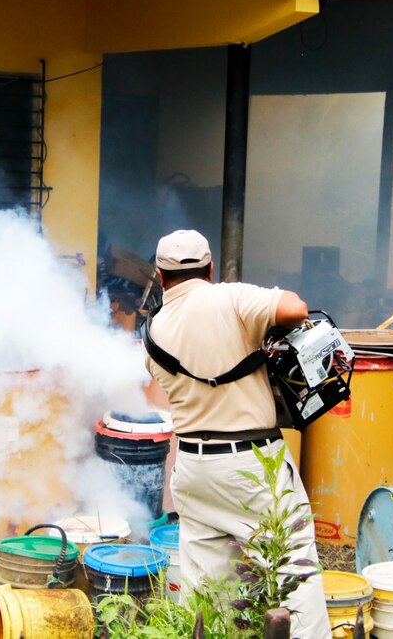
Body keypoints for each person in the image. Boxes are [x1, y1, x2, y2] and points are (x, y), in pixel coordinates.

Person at [144, 229, 331, 639]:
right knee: (293, 575)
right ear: (210, 269)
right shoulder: (230, 297)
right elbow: (295, 309)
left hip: (193, 470)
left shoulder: (151, 333)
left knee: (209, 598)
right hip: (252, 464)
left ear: (160, 276)